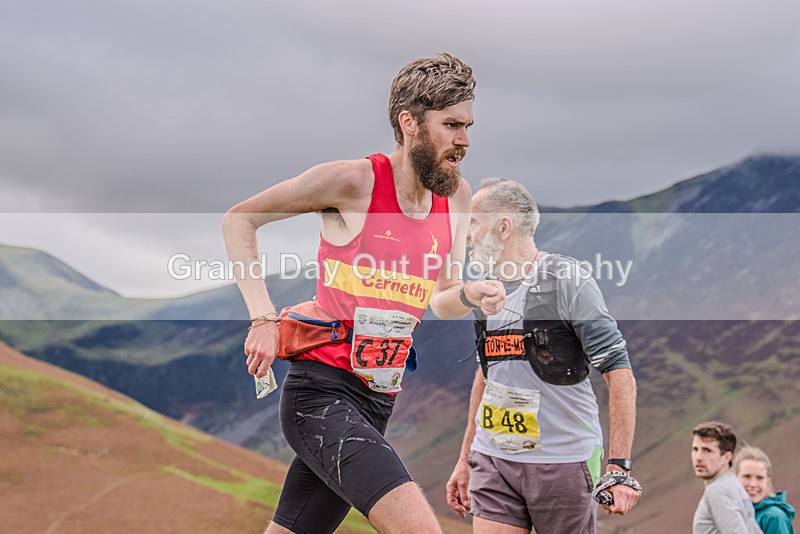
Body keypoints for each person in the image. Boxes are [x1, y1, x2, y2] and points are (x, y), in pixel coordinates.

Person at [222, 53, 505, 534]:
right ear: (409, 122)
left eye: (468, 126)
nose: (465, 141)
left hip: (378, 401)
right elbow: (239, 219)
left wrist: (471, 294)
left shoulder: (456, 196)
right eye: (452, 125)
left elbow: (442, 298)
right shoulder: (353, 182)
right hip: (321, 396)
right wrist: (263, 320)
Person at [445, 178, 640, 533]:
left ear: (504, 227)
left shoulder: (566, 280)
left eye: (473, 222)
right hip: (494, 458)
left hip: (563, 460)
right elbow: (487, 376)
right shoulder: (484, 290)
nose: (466, 235)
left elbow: (619, 371)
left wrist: (619, 467)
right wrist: (465, 459)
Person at [691, 421, 762, 534]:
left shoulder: (718, 490)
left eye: (707, 450)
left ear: (726, 457)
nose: (698, 457)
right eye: (695, 449)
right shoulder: (735, 485)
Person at [735, 446, 795, 534]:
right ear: (734, 478)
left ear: (768, 481)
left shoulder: (774, 518)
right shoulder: (732, 512)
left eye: (759, 478)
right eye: (747, 476)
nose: (753, 484)